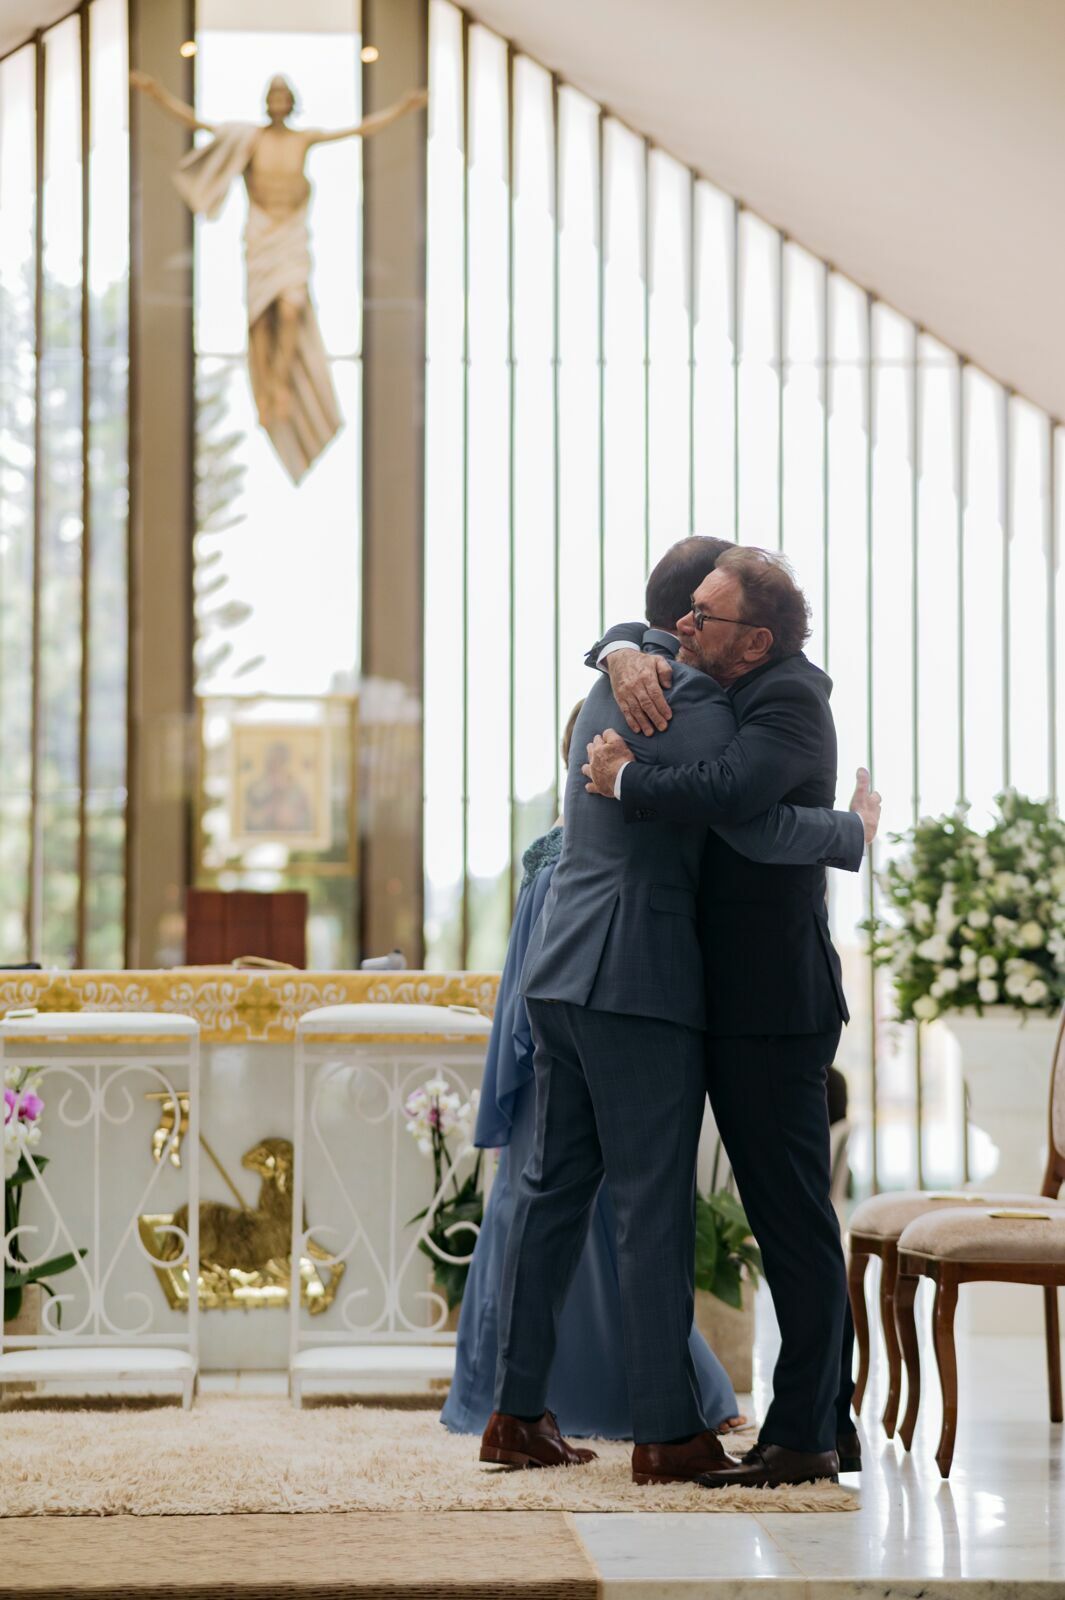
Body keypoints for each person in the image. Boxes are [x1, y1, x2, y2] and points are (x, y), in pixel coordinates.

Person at [479, 537, 874, 1483]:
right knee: (648, 1202)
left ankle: (515, 1414)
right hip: (635, 977)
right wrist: (848, 830)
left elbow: (717, 792)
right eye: (692, 612)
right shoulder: (677, 698)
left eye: (710, 613)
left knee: (550, 1191)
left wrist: (614, 645)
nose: (696, 625)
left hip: (564, 966)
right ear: (678, 623)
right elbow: (737, 809)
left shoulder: (615, 689)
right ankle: (666, 1430)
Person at [443, 703, 744, 1439]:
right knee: (630, 1217)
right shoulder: (593, 852)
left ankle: (517, 1413)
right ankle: (657, 1421)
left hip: (551, 1033)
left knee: (557, 1213)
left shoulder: (558, 851)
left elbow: (525, 980)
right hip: (599, 1032)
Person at [130, 69, 426, 480]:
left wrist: (402, 109)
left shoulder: (303, 140)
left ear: (292, 101)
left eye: (285, 95)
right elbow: (196, 122)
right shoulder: (249, 138)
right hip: (261, 234)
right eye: (273, 95)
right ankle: (266, 386)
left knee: (291, 307)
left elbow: (358, 130)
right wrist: (156, 91)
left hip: (290, 236)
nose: (279, 101)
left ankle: (282, 386)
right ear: (266, 101)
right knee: (261, 317)